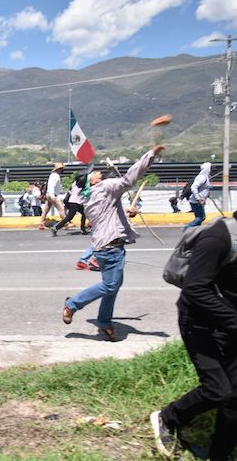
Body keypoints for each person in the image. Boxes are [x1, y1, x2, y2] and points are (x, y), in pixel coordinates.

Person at [151, 178, 237, 460]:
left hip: (232, 324)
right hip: (199, 321)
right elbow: (195, 290)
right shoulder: (221, 236)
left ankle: (221, 454)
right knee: (218, 390)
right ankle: (168, 417)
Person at [62, 145, 165, 341]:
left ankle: (104, 321)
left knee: (113, 285)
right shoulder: (105, 187)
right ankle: (73, 304)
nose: (98, 171)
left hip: (106, 246)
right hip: (110, 247)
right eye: (94, 172)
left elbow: (109, 215)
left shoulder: (90, 197)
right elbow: (129, 179)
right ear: (91, 181)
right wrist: (150, 155)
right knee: (110, 286)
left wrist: (127, 214)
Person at [184, 162, 211, 230]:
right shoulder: (202, 177)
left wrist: (207, 195)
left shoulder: (205, 177)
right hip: (196, 201)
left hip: (198, 201)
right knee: (201, 217)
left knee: (198, 218)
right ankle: (187, 228)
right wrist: (198, 198)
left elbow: (203, 188)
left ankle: (194, 231)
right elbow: (193, 187)